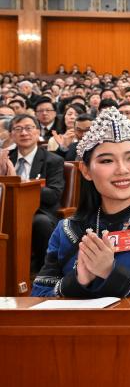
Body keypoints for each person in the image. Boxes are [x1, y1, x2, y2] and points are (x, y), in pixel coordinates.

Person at [32, 108, 130, 297]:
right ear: (86, 170)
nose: (122, 170)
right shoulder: (67, 229)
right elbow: (39, 295)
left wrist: (111, 272)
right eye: (107, 161)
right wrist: (79, 280)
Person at [0, 113, 66, 271]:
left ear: (38, 132)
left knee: (41, 223)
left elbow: (53, 194)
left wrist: (20, 183)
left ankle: (45, 271)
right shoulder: (5, 159)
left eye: (29, 128)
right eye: (18, 129)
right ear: (11, 135)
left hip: (39, 211)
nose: (24, 133)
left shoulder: (53, 160)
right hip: (7, 210)